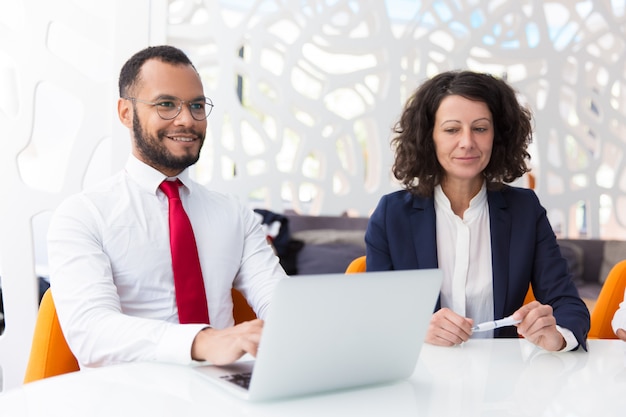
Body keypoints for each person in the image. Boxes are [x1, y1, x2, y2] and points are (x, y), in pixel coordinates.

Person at [47, 45, 287, 368]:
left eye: (197, 105)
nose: (187, 120)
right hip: (131, 397)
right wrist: (202, 341)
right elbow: (92, 332)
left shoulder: (234, 213)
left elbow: (280, 303)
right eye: (166, 105)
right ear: (125, 112)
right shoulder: (82, 216)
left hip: (226, 392)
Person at [365, 70, 590, 352]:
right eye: (451, 129)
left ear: (497, 136)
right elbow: (374, 313)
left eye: (480, 128)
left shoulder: (524, 210)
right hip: (420, 374)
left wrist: (556, 335)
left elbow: (568, 304)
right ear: (429, 136)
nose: (467, 142)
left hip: (501, 383)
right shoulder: (392, 214)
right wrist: (415, 328)